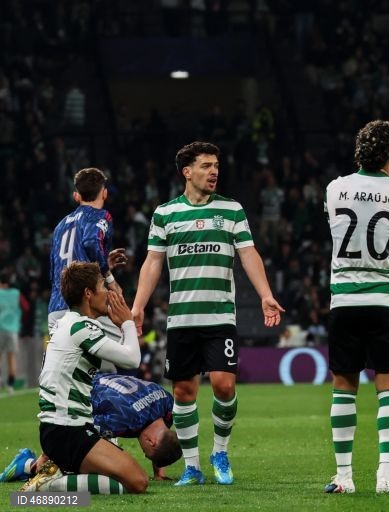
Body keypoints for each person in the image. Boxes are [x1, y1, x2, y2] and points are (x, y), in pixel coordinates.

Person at [131, 141, 284, 486]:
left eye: (216, 165)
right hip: (182, 320)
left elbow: (248, 254)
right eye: (205, 166)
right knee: (184, 393)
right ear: (187, 172)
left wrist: (265, 295)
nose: (214, 171)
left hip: (219, 318)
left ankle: (220, 451)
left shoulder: (231, 210)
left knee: (224, 385)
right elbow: (152, 263)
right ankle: (193, 467)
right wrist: (138, 305)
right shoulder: (165, 214)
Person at [323, 120, 389, 494]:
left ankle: (344, 476)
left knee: (343, 387)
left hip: (346, 300)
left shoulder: (335, 189)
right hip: (387, 301)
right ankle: (385, 476)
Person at [23, 261, 146, 494]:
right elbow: (132, 360)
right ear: (88, 294)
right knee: (137, 482)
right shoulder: (82, 328)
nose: (108, 293)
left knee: (117, 482)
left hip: (58, 428)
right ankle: (49, 485)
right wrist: (128, 323)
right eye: (103, 286)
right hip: (68, 430)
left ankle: (50, 470)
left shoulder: (67, 324)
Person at [1, 372, 181, 483]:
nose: (144, 453)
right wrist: (45, 457)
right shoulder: (121, 421)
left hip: (100, 378)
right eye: (147, 452)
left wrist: (159, 473)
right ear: (151, 441)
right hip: (75, 391)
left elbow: (163, 438)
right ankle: (26, 465)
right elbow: (73, 429)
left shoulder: (166, 404)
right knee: (84, 462)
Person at [48, 168, 128, 342]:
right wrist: (110, 279)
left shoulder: (60, 226)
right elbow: (91, 242)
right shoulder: (101, 215)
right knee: (126, 350)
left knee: (65, 366)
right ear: (104, 193)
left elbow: (55, 270)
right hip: (84, 307)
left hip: (56, 308)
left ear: (77, 195)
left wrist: (102, 263)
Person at [0, 272, 22, 394]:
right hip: (13, 330)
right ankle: (10, 386)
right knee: (11, 359)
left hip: (0, 328)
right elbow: (26, 306)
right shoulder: (16, 294)